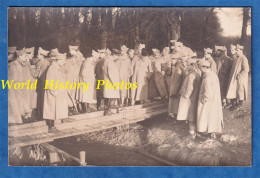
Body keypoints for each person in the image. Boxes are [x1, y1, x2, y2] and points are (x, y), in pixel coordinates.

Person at [197, 60, 223, 139]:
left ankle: (209, 133)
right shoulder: (213, 74)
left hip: (209, 101)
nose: (200, 70)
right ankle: (212, 132)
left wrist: (203, 100)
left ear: (204, 68)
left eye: (200, 68)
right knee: (213, 116)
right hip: (215, 100)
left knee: (207, 116)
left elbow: (207, 92)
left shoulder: (207, 78)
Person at [43, 53, 68, 132]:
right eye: (63, 61)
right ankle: (50, 127)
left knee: (54, 110)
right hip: (53, 93)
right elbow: (49, 82)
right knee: (50, 110)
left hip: (58, 92)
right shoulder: (52, 68)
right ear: (59, 60)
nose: (64, 62)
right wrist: (54, 92)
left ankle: (53, 126)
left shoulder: (59, 67)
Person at [176, 58, 201, 138]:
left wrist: (185, 96)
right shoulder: (195, 73)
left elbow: (190, 88)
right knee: (191, 115)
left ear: (192, 65)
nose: (186, 66)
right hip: (193, 97)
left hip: (189, 99)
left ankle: (192, 133)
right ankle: (193, 132)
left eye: (188, 65)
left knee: (190, 116)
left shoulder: (191, 75)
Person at [9, 49, 32, 122]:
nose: (26, 57)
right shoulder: (14, 64)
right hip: (18, 87)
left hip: (25, 86)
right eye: (25, 56)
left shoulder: (25, 64)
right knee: (18, 102)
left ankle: (24, 115)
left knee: (25, 101)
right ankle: (19, 117)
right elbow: (14, 78)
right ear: (19, 56)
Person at [226, 44, 249, 110]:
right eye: (236, 50)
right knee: (235, 91)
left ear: (241, 51)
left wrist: (239, 75)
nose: (236, 51)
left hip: (241, 79)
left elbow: (246, 69)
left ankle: (240, 106)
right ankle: (235, 105)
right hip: (235, 79)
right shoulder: (237, 58)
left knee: (240, 92)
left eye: (237, 50)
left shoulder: (243, 58)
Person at [63, 45, 84, 114]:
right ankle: (71, 108)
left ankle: (71, 109)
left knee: (71, 94)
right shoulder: (71, 60)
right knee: (71, 94)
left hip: (73, 80)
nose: (69, 51)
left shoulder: (75, 61)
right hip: (72, 80)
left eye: (71, 50)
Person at [168, 53, 187, 120]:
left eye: (172, 59)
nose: (171, 61)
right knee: (174, 102)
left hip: (176, 89)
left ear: (177, 59)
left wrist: (177, 90)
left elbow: (179, 80)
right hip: (175, 88)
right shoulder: (177, 66)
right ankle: (173, 114)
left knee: (175, 103)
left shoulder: (178, 67)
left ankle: (175, 116)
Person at [102, 49, 120, 115]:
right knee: (113, 96)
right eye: (117, 56)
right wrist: (115, 84)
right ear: (114, 55)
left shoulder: (106, 61)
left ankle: (108, 109)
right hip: (111, 83)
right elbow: (111, 74)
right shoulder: (111, 62)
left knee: (109, 97)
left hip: (107, 82)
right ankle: (108, 111)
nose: (118, 58)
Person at [35, 47, 51, 119]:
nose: (37, 56)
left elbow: (36, 74)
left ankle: (40, 114)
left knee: (40, 98)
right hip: (46, 82)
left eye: (38, 55)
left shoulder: (39, 63)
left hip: (41, 82)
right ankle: (44, 113)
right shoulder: (47, 62)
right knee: (45, 98)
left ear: (42, 55)